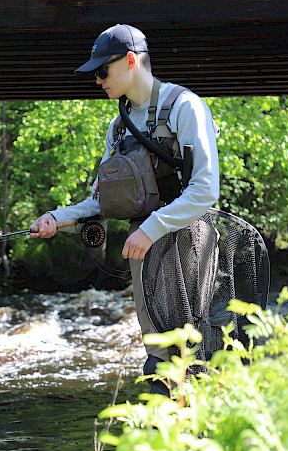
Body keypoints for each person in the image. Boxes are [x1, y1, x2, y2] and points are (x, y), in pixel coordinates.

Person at [30, 24, 220, 386]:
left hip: (189, 243)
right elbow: (100, 201)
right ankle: (165, 434)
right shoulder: (118, 128)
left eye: (103, 70)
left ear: (131, 61)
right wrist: (57, 218)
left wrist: (151, 229)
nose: (98, 80)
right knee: (160, 359)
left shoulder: (185, 106)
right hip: (144, 252)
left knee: (194, 354)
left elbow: (205, 189)